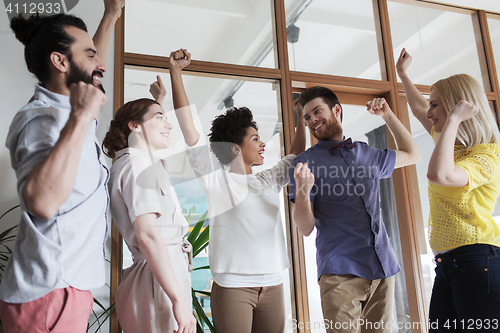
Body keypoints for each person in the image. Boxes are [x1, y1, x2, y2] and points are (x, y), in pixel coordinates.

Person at [149, 48, 306, 333]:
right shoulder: (217, 180)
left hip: (273, 283)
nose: (263, 145)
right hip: (233, 286)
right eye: (256, 138)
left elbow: (296, 154)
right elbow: (190, 128)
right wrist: (176, 72)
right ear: (235, 147)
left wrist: (300, 117)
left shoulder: (269, 179)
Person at [0, 2, 124, 332]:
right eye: (90, 54)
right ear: (59, 61)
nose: (101, 64)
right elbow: (41, 202)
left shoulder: (69, 112)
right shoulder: (42, 119)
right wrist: (82, 115)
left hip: (65, 290)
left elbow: (91, 70)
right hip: (50, 295)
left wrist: (110, 15)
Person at [290, 86, 421, 333]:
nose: (312, 121)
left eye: (317, 112)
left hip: (382, 267)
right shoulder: (303, 163)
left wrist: (387, 116)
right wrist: (302, 192)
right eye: (307, 117)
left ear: (336, 110)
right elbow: (306, 228)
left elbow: (413, 154)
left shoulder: (366, 152)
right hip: (340, 273)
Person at [396, 48, 500, 331]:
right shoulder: (451, 146)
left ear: (456, 108)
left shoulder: (487, 157)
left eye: (436, 105)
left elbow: (439, 174)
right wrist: (403, 75)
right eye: (431, 105)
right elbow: (419, 110)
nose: (428, 112)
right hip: (447, 264)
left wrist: (452, 119)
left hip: (479, 260)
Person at [102, 95, 196, 333]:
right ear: (134, 126)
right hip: (158, 280)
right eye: (160, 117)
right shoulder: (137, 165)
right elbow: (148, 236)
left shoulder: (139, 163)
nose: (169, 124)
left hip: (161, 275)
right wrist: (178, 301)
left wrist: (158, 101)